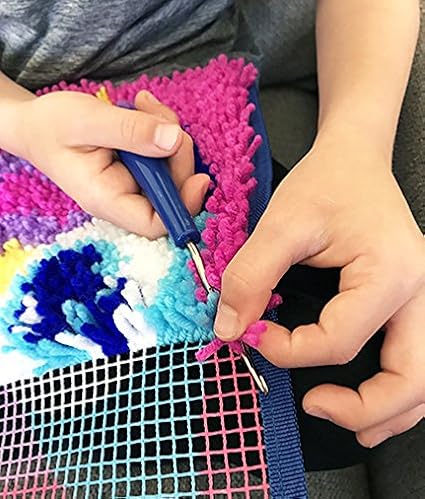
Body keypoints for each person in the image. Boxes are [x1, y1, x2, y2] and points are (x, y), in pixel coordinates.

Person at [0, 0, 423, 496]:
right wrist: (20, 122)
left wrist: (357, 150)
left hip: (193, 87)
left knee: (356, 375)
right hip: (15, 123)